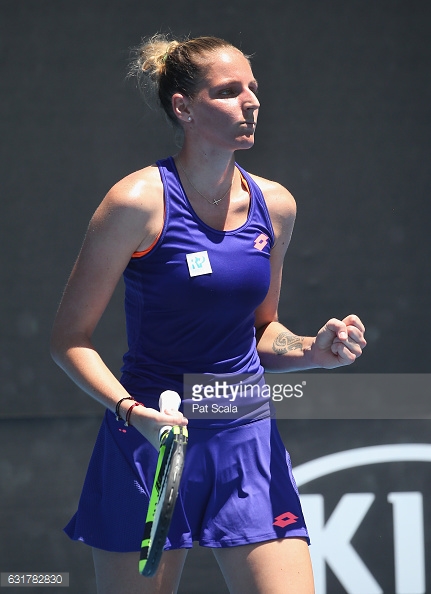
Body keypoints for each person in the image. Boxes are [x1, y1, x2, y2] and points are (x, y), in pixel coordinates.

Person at [51, 34, 366, 594]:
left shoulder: (277, 206)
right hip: (152, 440)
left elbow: (263, 331)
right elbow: (69, 340)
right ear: (184, 107)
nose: (251, 102)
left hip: (245, 435)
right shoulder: (136, 202)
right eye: (228, 91)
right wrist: (134, 413)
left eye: (253, 89)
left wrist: (312, 351)